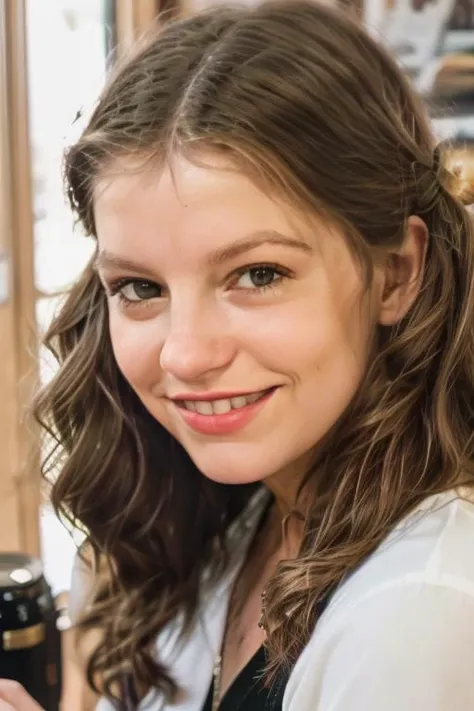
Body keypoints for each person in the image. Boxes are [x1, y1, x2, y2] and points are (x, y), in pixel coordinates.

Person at [2, 1, 474, 709]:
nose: (186, 355)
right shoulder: (243, 513)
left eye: (257, 275)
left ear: (398, 271)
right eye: (139, 287)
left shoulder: (419, 612)